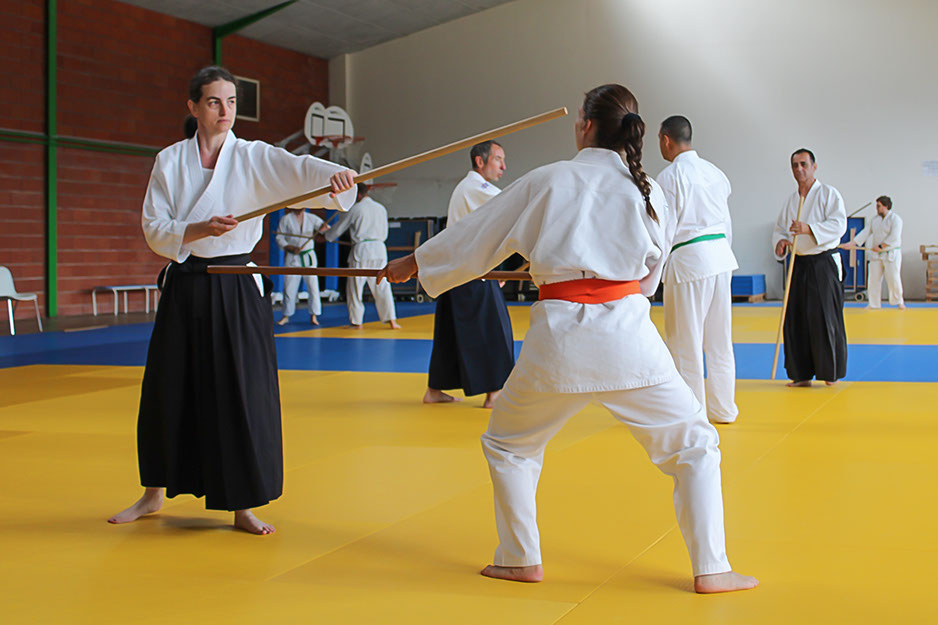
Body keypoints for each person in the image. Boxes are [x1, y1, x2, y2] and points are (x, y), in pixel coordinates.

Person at [379, 84, 757, 593]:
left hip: (557, 344)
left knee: (509, 445)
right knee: (696, 446)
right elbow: (649, 280)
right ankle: (712, 567)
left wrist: (414, 262)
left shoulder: (548, 180)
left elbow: (479, 236)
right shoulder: (649, 190)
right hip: (630, 340)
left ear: (585, 125)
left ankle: (519, 557)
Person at [107, 66, 357, 534]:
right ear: (193, 106)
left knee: (241, 389)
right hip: (186, 283)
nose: (225, 111)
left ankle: (243, 505)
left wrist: (337, 178)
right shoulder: (170, 161)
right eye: (214, 102)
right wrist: (198, 229)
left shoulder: (253, 156)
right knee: (169, 387)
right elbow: (154, 228)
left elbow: (301, 169)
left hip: (236, 282)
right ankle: (153, 493)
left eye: (232, 102)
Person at [657, 116, 739, 424]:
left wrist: (653, 271)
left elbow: (665, 230)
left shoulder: (670, 176)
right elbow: (727, 223)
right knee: (719, 340)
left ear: (666, 140)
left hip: (689, 260)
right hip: (721, 257)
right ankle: (724, 408)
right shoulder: (715, 172)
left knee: (685, 342)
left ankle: (692, 413)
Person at [423, 140, 515, 409]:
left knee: (450, 333)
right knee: (493, 329)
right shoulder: (475, 187)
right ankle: (494, 393)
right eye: (498, 159)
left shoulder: (469, 189)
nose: (503, 166)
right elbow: (512, 204)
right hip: (471, 273)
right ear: (480, 161)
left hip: (457, 272)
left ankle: (434, 390)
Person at [772, 149, 847, 387]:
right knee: (796, 318)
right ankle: (801, 373)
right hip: (799, 262)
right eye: (795, 165)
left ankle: (830, 372)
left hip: (822, 262)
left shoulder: (828, 194)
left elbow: (839, 225)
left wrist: (809, 229)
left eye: (804, 164)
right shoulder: (790, 201)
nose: (799, 169)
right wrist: (781, 242)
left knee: (824, 317)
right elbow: (780, 229)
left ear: (814, 166)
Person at [324, 183, 401, 329]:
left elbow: (339, 228)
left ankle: (356, 322)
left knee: (355, 287)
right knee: (382, 285)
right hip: (379, 249)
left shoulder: (356, 209)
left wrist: (326, 236)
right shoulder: (381, 208)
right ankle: (391, 320)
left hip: (362, 250)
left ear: (358, 194)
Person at [840, 195, 905, 309]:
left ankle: (899, 301)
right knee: (873, 280)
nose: (877, 208)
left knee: (893, 279)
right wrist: (851, 244)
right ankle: (874, 304)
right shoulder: (875, 220)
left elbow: (894, 236)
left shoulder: (895, 219)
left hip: (891, 254)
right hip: (876, 254)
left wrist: (881, 246)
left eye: (879, 206)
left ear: (886, 206)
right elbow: (865, 233)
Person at [275, 207, 328, 326]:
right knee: (289, 287)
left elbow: (324, 229)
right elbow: (279, 237)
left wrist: (323, 227)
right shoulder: (286, 219)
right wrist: (289, 247)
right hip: (293, 257)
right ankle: (286, 315)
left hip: (308, 256)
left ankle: (314, 315)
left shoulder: (311, 218)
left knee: (313, 287)